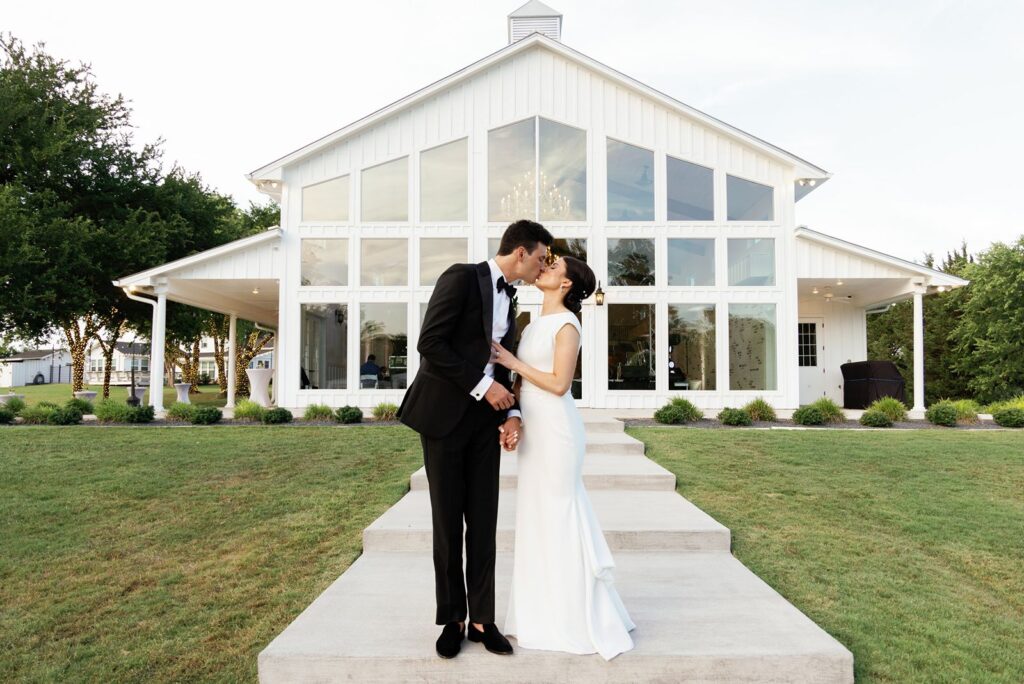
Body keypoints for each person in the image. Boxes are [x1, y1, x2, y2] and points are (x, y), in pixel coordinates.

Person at [397, 219, 554, 659]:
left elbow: (504, 361)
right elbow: (430, 343)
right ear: (520, 252)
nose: (543, 266)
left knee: (484, 523)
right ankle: (453, 617)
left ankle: (483, 619)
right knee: (448, 524)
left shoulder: (512, 296)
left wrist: (512, 412)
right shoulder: (461, 277)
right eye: (541, 257)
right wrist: (485, 387)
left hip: (487, 423)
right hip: (445, 419)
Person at [491, 255, 636, 661]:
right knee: (535, 519)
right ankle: (538, 614)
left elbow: (558, 384)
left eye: (553, 268)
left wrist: (510, 359)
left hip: (557, 432)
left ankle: (573, 617)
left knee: (559, 515)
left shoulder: (568, 326)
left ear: (566, 284)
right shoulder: (533, 323)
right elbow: (519, 383)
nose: (544, 269)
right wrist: (512, 419)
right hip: (533, 430)